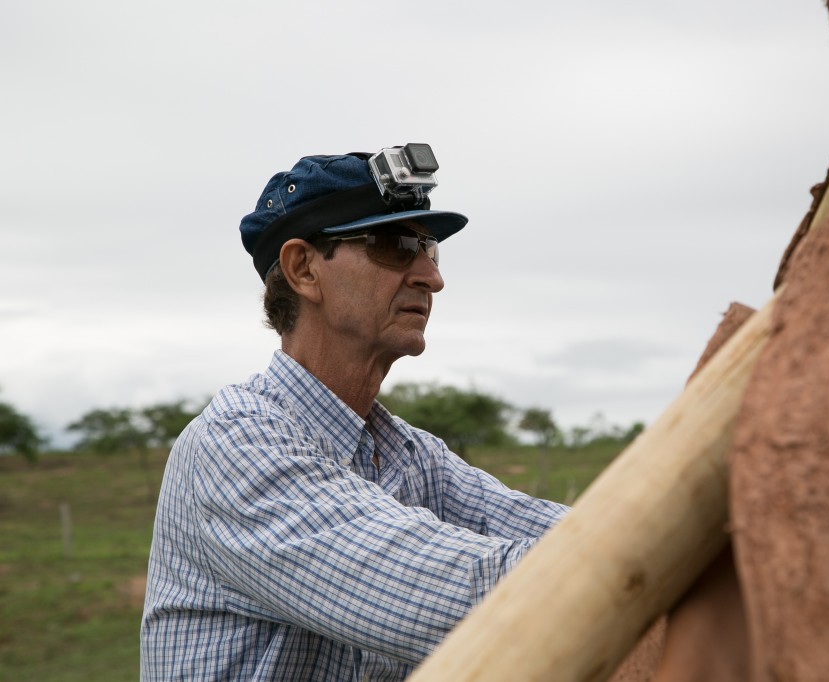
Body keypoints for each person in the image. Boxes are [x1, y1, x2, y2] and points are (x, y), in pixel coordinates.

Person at [141, 146, 570, 681]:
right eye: (395, 246)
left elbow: (567, 535)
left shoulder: (408, 453)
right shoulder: (234, 447)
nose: (430, 278)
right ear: (303, 269)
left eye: (428, 249)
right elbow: (460, 592)